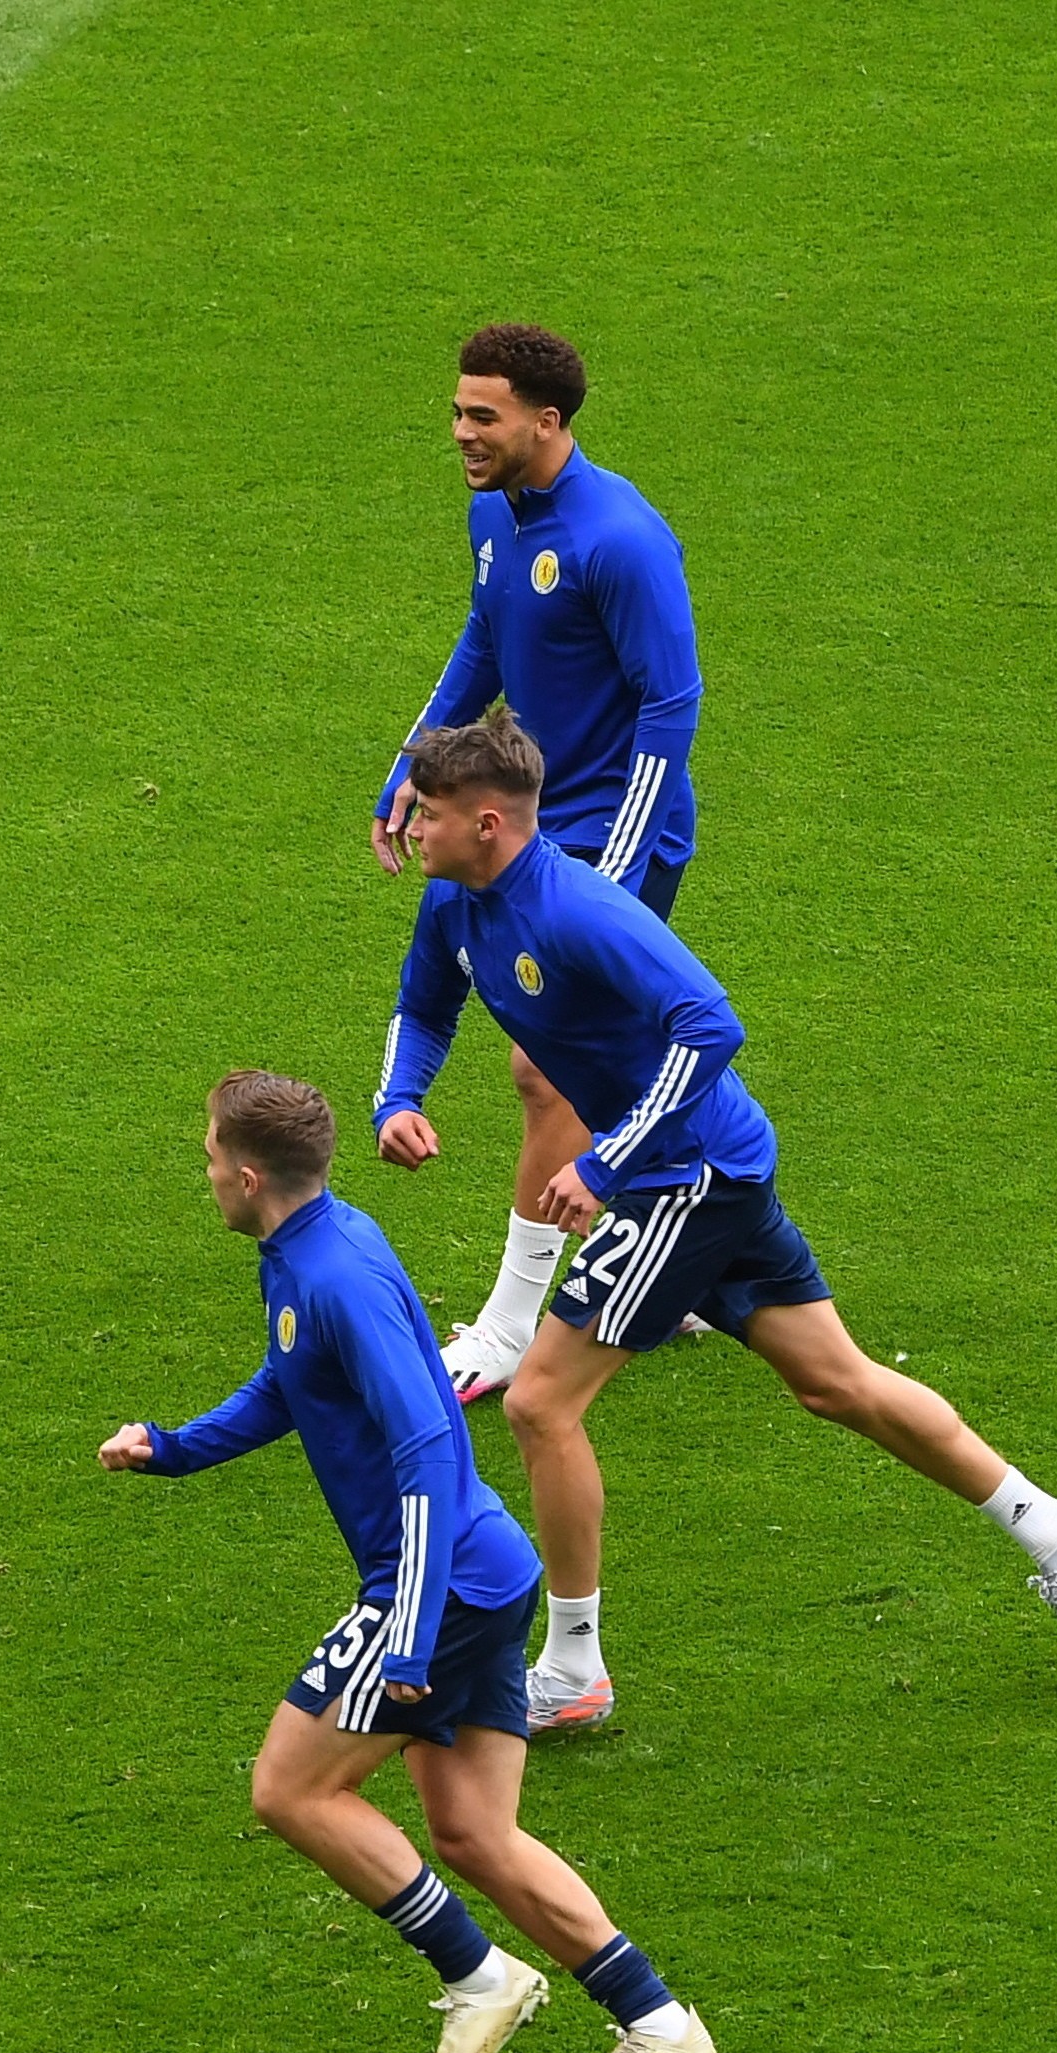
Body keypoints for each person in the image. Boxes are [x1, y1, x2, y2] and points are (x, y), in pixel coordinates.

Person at [384, 705, 1057, 1727]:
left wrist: (605, 1160)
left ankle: (574, 1668)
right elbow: (424, 1008)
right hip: (706, 1168)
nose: (410, 825)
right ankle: (1053, 1525)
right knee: (836, 1382)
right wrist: (399, 1098)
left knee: (539, 1404)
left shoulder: (579, 912)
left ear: (489, 823)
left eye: (427, 812)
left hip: (685, 1179)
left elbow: (710, 1026)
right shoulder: (455, 904)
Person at [97, 1071, 722, 2053]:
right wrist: (173, 1448)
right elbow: (292, 1381)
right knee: (475, 1832)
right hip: (485, 1571)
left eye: (208, 1156)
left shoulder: (333, 1275)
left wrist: (409, 1632)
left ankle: (481, 1978)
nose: (204, 1171)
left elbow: (429, 1450)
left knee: (291, 1788)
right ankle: (660, 2024)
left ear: (248, 1177)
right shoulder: (316, 1247)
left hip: (442, 1586)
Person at [363, 323, 706, 1401]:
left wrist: (616, 867)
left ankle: (514, 1325)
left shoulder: (622, 538)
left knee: (543, 1064)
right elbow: (486, 639)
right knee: (612, 1054)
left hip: (609, 832)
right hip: (522, 821)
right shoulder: (495, 513)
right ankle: (682, 1248)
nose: (461, 432)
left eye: (483, 416)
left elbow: (670, 702)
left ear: (546, 421)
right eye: (458, 412)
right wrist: (414, 764)